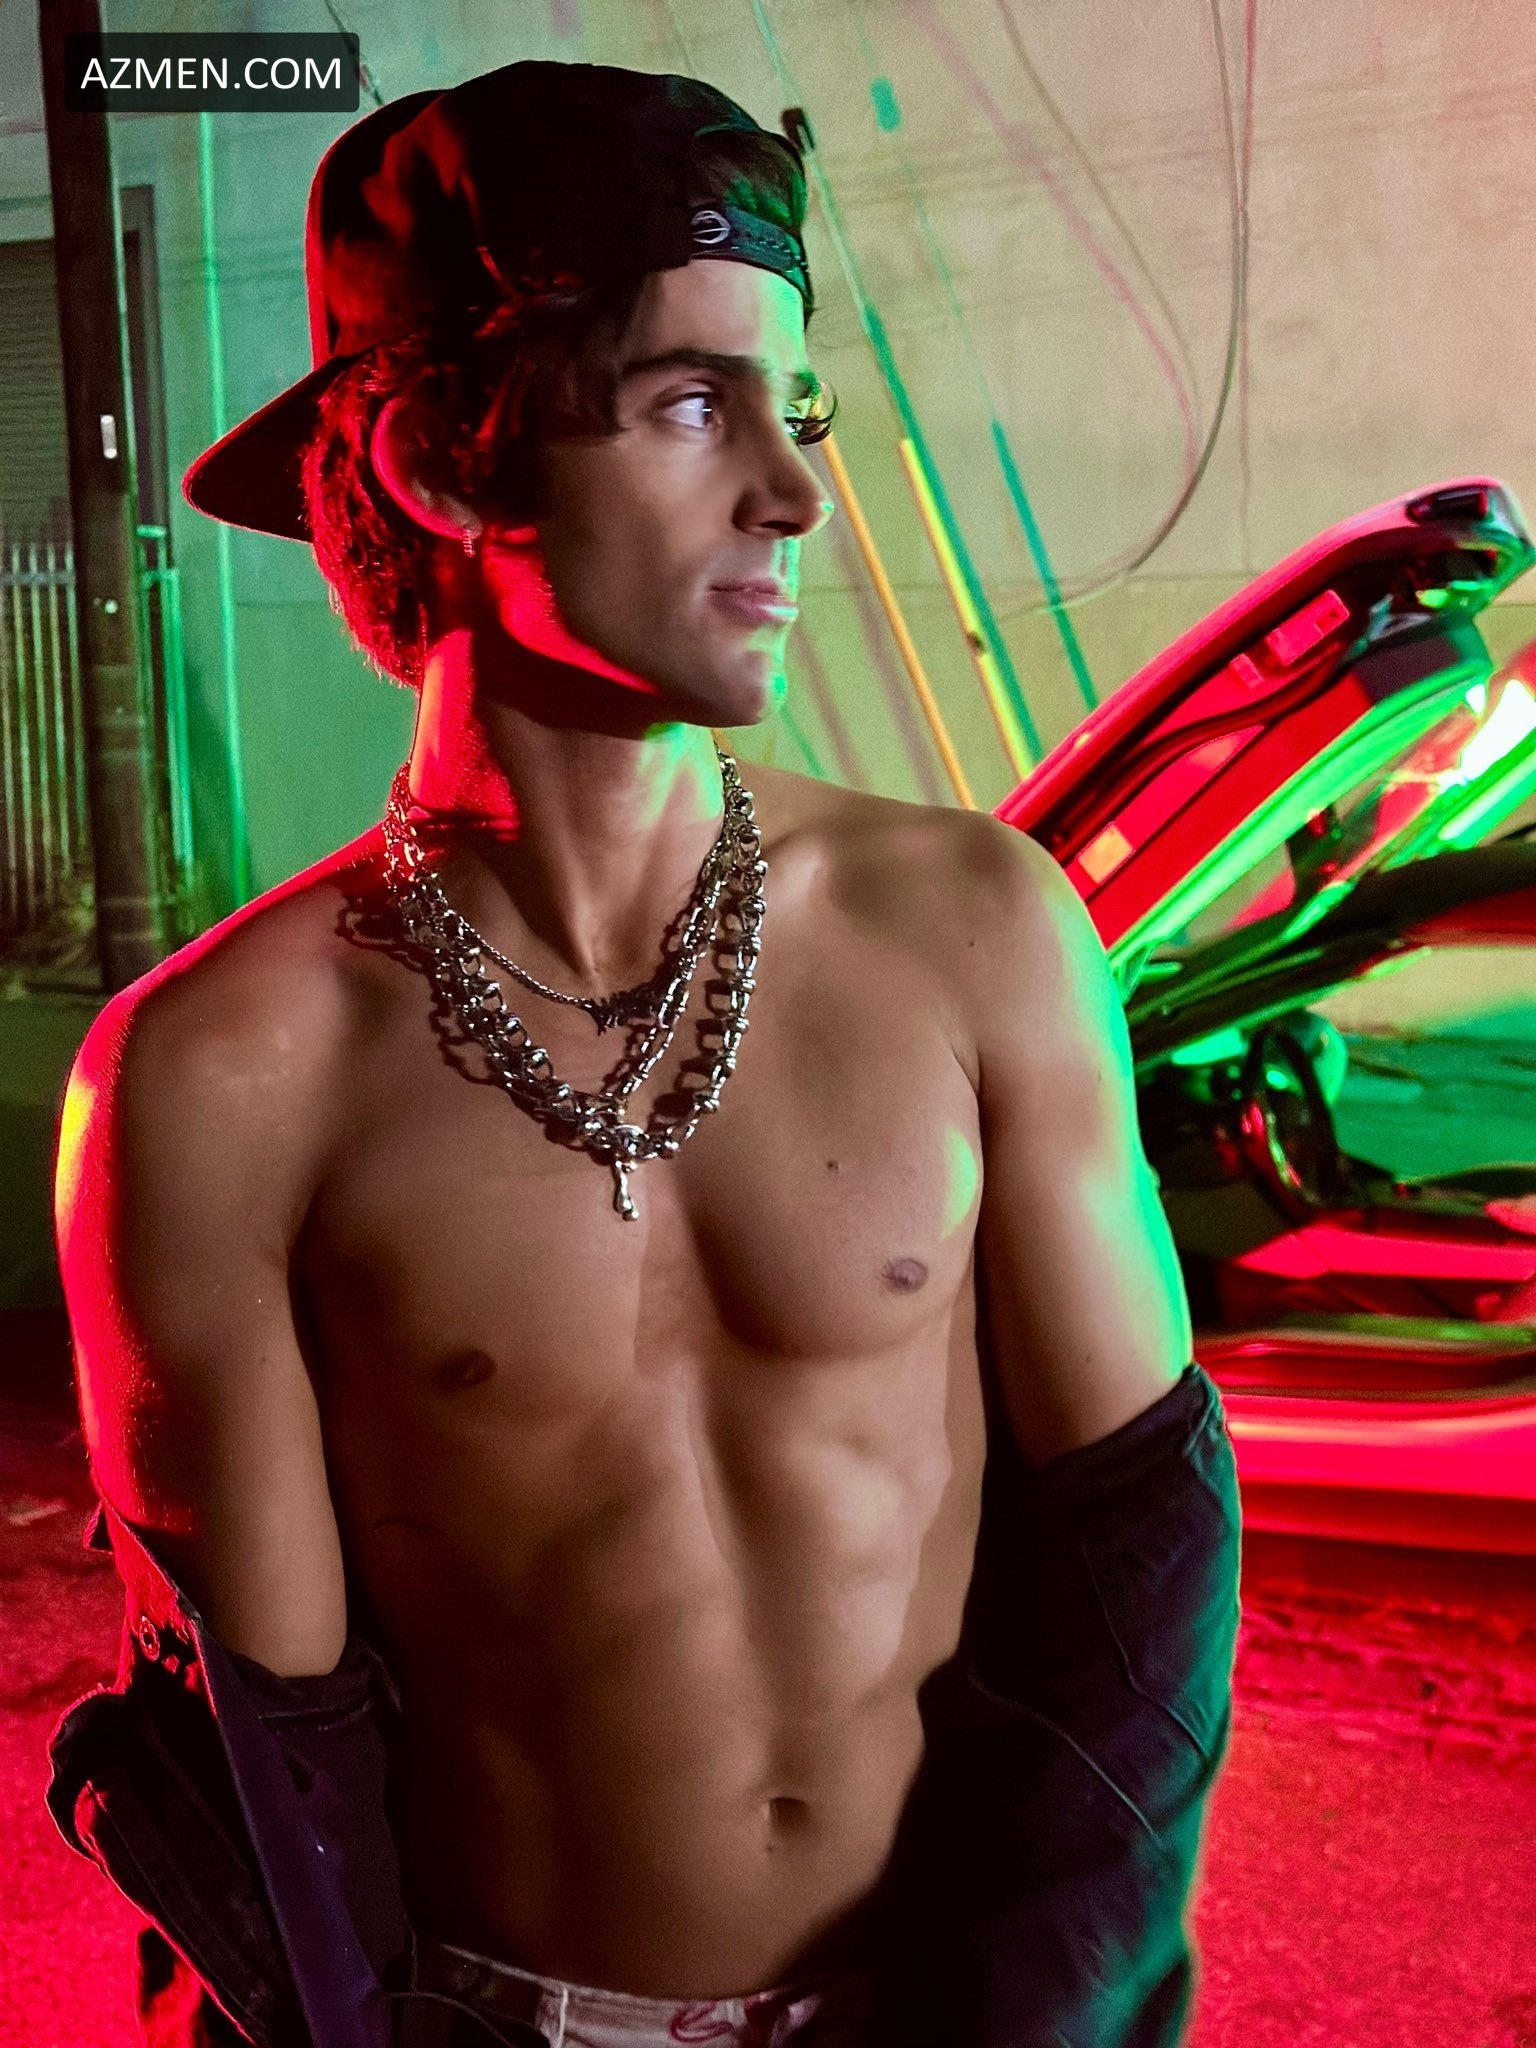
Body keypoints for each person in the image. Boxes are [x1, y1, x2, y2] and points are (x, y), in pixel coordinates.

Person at [48, 60, 1240, 2048]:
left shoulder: (980, 936)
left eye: (800, 407)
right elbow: (266, 1781)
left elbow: (1139, 1573)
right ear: (441, 461)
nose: (796, 490)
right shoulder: (216, 1079)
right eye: (693, 403)